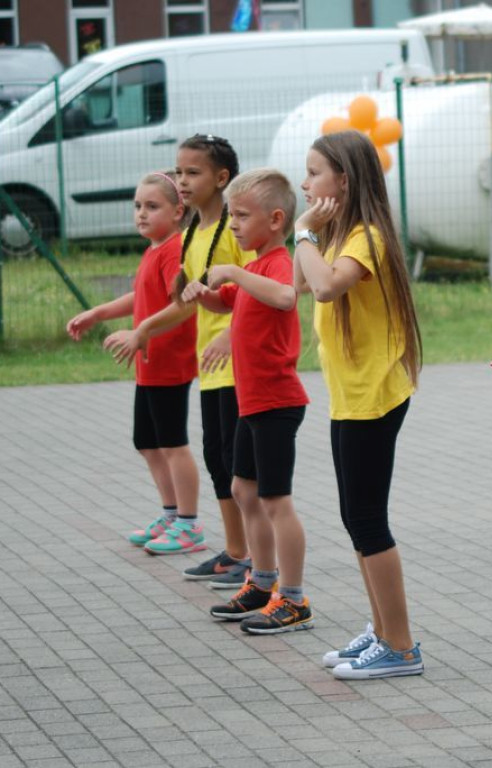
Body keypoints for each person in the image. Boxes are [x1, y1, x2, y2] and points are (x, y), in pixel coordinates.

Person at [293, 131, 424, 678]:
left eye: (315, 173)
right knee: (356, 518)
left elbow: (324, 289)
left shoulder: (366, 238)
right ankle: (382, 631)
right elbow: (297, 286)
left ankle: (402, 647)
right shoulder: (339, 236)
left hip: (373, 397)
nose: (306, 183)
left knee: (369, 520)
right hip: (350, 398)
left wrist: (302, 231)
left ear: (343, 181)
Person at [109, 136, 253, 578]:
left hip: (236, 365)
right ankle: (234, 551)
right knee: (217, 460)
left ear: (221, 178)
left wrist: (148, 329)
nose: (182, 180)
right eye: (180, 171)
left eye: (193, 173)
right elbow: (186, 298)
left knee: (238, 467)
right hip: (210, 369)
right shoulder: (193, 233)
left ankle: (253, 562)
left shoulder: (235, 230)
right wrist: (131, 320)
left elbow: (259, 287)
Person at [183, 168, 311, 634]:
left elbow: (284, 297)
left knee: (276, 499)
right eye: (231, 215)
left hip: (277, 401)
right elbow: (228, 302)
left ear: (276, 219)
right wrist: (205, 294)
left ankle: (294, 599)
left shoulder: (277, 262)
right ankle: (262, 582)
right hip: (251, 400)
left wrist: (232, 271)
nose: (232, 224)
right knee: (244, 490)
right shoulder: (254, 266)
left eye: (241, 215)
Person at [66, 172, 200, 552]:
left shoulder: (174, 250)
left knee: (173, 444)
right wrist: (97, 313)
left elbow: (182, 305)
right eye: (138, 206)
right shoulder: (154, 249)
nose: (142, 213)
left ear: (178, 212)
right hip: (149, 365)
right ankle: (171, 514)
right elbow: (139, 296)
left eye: (152, 206)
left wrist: (142, 332)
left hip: (168, 361)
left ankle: (189, 524)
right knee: (147, 441)